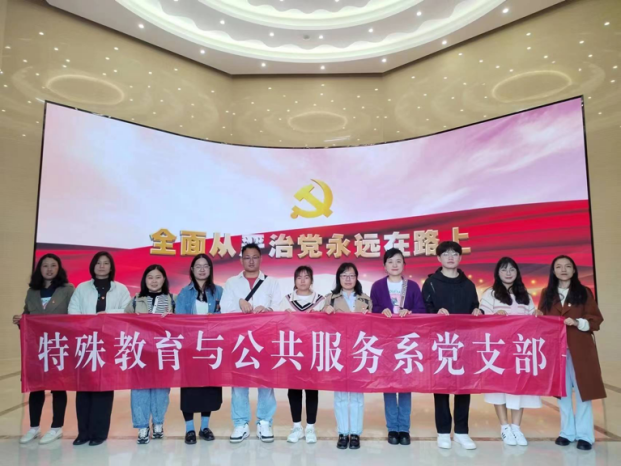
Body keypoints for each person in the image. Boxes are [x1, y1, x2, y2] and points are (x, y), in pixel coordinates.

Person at [538, 255, 606, 451]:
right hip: (556, 350)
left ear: (574, 270)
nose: (563, 270)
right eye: (558, 267)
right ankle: (567, 432)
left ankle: (585, 435)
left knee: (584, 391)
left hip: (580, 348)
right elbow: (542, 319)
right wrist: (538, 316)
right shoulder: (547, 293)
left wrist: (577, 322)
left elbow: (595, 320)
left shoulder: (583, 292)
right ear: (553, 271)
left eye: (568, 266)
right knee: (563, 392)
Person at [220, 243, 282, 444]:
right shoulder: (231, 283)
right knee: (239, 383)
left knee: (266, 383)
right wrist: (239, 303)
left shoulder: (271, 282)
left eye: (255, 257)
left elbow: (279, 307)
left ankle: (264, 421)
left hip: (265, 339)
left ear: (260, 259)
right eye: (247, 257)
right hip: (239, 340)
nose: (251, 261)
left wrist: (268, 309)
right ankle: (240, 423)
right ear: (241, 260)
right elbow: (224, 309)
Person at [422, 241, 480, 451]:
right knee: (441, 387)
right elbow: (424, 309)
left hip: (465, 342)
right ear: (439, 258)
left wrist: (477, 312)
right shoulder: (431, 283)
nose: (450, 257)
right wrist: (435, 313)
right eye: (445, 254)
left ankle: (462, 432)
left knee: (464, 387)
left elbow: (475, 307)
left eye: (454, 253)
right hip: (440, 342)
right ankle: (443, 432)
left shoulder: (468, 284)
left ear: (460, 258)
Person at [68, 251, 131, 446]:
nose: (102, 266)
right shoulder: (82, 288)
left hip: (108, 344)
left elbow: (127, 312)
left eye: (106, 263)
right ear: (93, 266)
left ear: (111, 267)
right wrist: (87, 324)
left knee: (103, 389)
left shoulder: (120, 289)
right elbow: (72, 311)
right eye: (98, 263)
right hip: (85, 343)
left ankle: (99, 433)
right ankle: (83, 433)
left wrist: (106, 314)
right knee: (84, 388)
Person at [13, 254, 74, 445]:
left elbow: (75, 316)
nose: (49, 269)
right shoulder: (32, 292)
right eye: (45, 266)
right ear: (39, 269)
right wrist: (20, 320)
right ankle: (34, 427)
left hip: (58, 345)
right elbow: (27, 315)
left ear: (59, 268)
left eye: (53, 265)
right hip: (37, 347)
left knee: (58, 386)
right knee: (36, 387)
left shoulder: (68, 289)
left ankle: (56, 427)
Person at [480, 257, 541, 446]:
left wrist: (537, 315)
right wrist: (494, 316)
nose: (508, 273)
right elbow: (481, 317)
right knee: (499, 389)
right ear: (497, 273)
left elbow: (532, 319)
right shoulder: (490, 294)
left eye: (512, 269)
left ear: (517, 272)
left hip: (520, 349)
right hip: (498, 349)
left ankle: (516, 427)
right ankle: (504, 427)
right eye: (504, 269)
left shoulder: (525, 295)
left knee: (519, 388)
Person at [370, 248, 425, 446]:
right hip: (386, 342)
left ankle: (404, 428)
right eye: (390, 261)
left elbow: (422, 310)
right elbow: (372, 309)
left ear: (404, 265)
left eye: (399, 261)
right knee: (389, 386)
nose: (394, 265)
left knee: (405, 386)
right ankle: (392, 428)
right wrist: (381, 311)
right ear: (384, 265)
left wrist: (410, 312)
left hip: (406, 342)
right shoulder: (377, 286)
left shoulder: (412, 286)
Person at [323, 262, 372, 450]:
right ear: (339, 278)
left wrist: (369, 316)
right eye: (344, 275)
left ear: (357, 278)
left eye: (351, 275)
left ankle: (355, 433)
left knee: (357, 396)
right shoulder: (330, 299)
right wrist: (325, 312)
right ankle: (343, 433)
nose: (348, 279)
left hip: (359, 351)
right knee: (341, 395)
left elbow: (374, 327)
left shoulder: (366, 300)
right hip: (338, 351)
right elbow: (319, 324)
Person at [176, 254, 224, 445]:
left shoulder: (219, 291)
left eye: (206, 266)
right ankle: (189, 429)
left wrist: (214, 318)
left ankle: (204, 427)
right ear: (192, 270)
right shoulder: (184, 292)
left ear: (210, 269)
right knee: (189, 389)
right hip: (190, 348)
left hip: (211, 347)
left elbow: (226, 316)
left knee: (209, 389)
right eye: (198, 266)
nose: (202, 269)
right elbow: (179, 319)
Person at [124, 264, 175, 445]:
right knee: (139, 390)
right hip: (140, 351)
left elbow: (183, 325)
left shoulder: (172, 299)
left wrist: (173, 318)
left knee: (161, 390)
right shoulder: (136, 300)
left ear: (164, 279)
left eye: (158, 277)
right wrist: (133, 319)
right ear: (144, 280)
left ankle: (158, 423)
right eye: (150, 277)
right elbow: (122, 322)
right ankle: (142, 427)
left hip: (163, 352)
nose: (154, 281)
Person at [278, 265, 324, 444]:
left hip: (313, 351)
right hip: (293, 350)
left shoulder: (320, 301)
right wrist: (284, 317)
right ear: (294, 280)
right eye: (299, 277)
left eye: (306, 277)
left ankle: (310, 427)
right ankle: (296, 426)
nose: (303, 280)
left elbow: (328, 325)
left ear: (311, 280)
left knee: (312, 389)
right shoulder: (286, 300)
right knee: (294, 389)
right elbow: (277, 323)